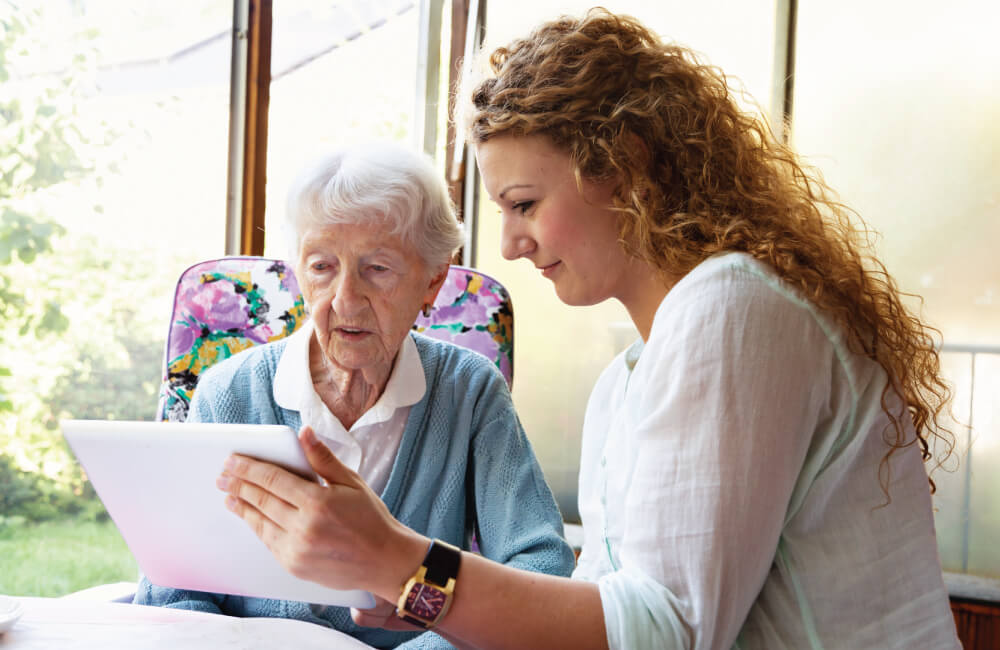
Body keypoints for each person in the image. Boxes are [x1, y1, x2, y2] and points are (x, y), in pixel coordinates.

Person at [214, 9, 961, 649]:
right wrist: (406, 581)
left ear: (623, 167)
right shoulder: (628, 382)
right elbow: (600, 614)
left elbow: (666, 631)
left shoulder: (733, 310)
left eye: (524, 203)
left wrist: (401, 562)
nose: (507, 245)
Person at [134, 141, 576, 649]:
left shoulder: (469, 391)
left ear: (432, 281)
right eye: (322, 267)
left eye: (377, 269)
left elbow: (541, 564)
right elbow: (172, 588)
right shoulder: (228, 393)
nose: (345, 300)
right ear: (299, 272)